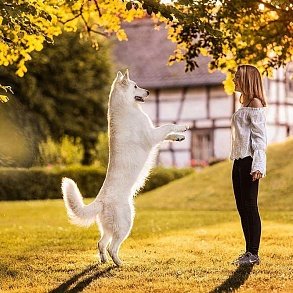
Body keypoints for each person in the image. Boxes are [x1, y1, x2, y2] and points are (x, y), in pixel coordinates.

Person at [230, 64, 267, 265]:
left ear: (246, 79)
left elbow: (260, 139)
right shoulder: (244, 104)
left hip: (250, 161)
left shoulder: (255, 103)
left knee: (250, 207)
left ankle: (253, 253)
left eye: (237, 77)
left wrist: (258, 166)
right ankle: (248, 252)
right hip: (238, 160)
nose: (234, 80)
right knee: (242, 207)